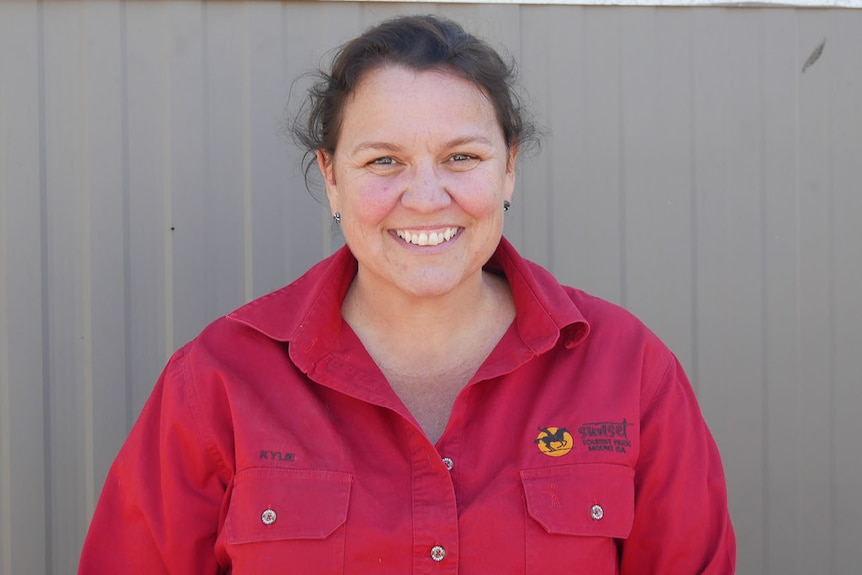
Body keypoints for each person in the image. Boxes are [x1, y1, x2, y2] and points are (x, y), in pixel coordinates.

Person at [78, 14, 735, 574]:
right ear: (331, 177)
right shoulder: (219, 381)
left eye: (461, 158)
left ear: (509, 166)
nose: (425, 198)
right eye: (383, 161)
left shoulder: (628, 369)